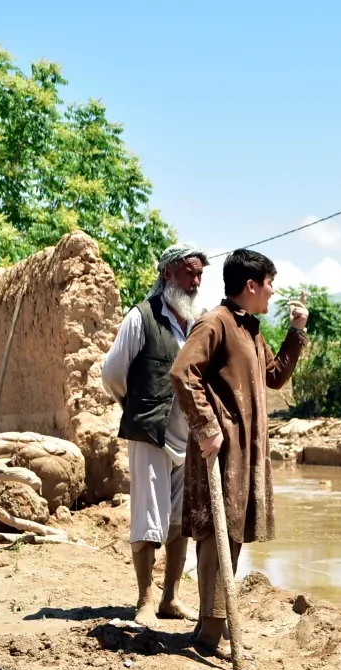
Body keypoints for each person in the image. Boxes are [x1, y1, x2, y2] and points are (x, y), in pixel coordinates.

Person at [170, 248, 308, 659]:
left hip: (245, 452)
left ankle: (212, 625)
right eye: (269, 284)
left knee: (231, 533)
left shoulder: (250, 328)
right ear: (251, 285)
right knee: (218, 534)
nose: (272, 292)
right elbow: (182, 373)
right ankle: (211, 632)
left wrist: (296, 330)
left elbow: (275, 376)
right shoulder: (215, 323)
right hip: (222, 450)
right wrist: (207, 428)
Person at [101, 243, 209, 627]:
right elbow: (112, 372)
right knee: (148, 517)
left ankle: (170, 598)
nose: (195, 282)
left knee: (179, 519)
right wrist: (134, 407)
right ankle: (145, 599)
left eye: (199, 275)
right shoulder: (142, 317)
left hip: (189, 439)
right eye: (188, 273)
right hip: (150, 432)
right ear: (167, 275)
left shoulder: (200, 322)